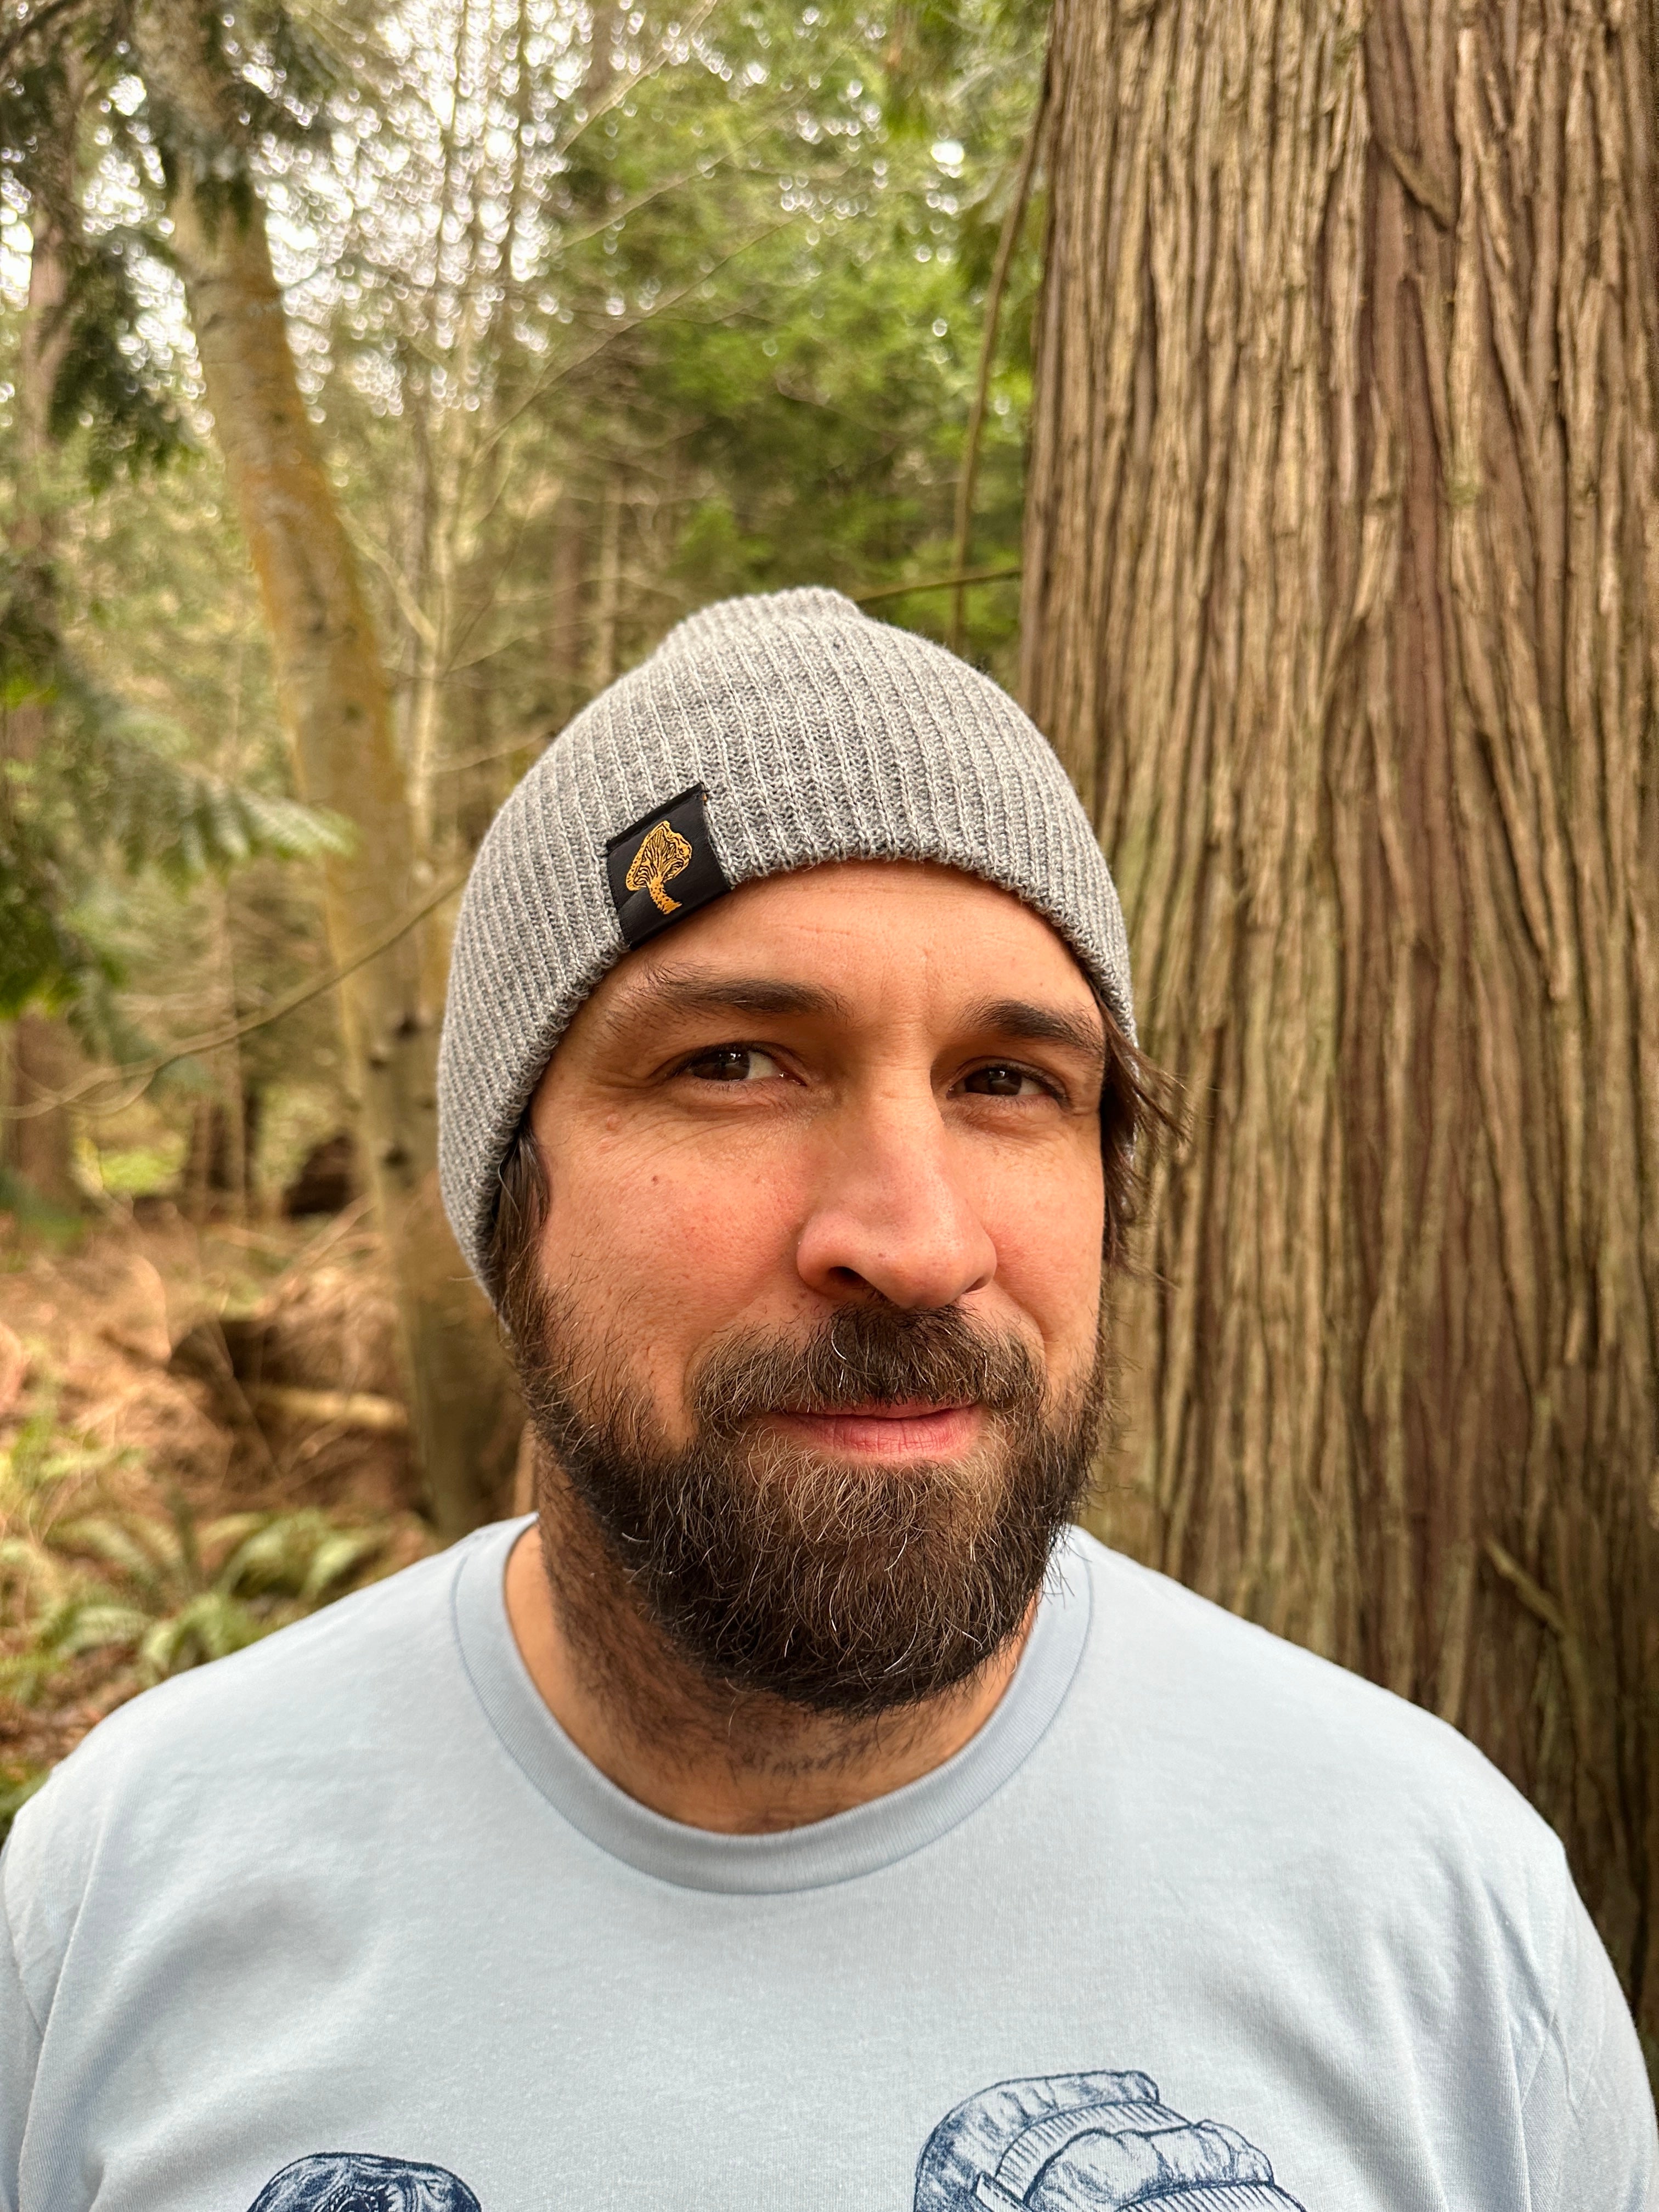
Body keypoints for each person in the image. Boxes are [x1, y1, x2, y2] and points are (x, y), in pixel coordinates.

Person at [1, 590, 1652, 2211]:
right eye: (734, 1063)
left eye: (1008, 1082)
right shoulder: (122, 1897)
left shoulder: (1439, 1920)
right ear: (509, 1203)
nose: (918, 1246)